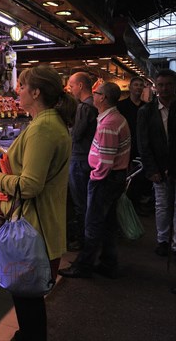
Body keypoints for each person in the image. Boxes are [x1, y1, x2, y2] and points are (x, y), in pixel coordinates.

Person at [0, 65, 77, 341]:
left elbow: (30, 184)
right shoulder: (49, 122)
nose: (17, 91)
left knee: (27, 295)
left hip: (33, 225)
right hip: (43, 221)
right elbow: (33, 161)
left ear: (35, 92)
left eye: (21, 86)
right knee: (28, 296)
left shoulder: (43, 127)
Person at [59, 82, 130, 279]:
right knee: (106, 223)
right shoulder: (114, 118)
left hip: (105, 179)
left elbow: (105, 161)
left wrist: (94, 178)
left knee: (92, 223)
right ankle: (108, 262)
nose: (93, 95)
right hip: (113, 178)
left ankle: (84, 265)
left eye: (97, 93)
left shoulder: (109, 124)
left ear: (103, 98)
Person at [138, 69, 176, 257]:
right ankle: (162, 240)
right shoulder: (146, 111)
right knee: (161, 204)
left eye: (168, 84)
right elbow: (143, 143)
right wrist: (151, 168)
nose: (164, 88)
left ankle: (175, 242)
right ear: (156, 87)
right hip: (157, 167)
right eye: (160, 85)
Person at [67, 72, 98, 251]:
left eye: (71, 86)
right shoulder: (93, 105)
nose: (71, 90)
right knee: (87, 203)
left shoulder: (84, 108)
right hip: (89, 159)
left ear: (80, 86)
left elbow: (76, 135)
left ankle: (83, 243)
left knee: (81, 204)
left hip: (80, 160)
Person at [117, 76, 153, 215]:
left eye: (140, 85)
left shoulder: (148, 107)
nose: (138, 87)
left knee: (141, 178)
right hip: (126, 147)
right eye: (136, 85)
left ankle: (137, 205)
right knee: (126, 178)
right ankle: (128, 207)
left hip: (142, 147)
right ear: (130, 87)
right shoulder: (121, 106)